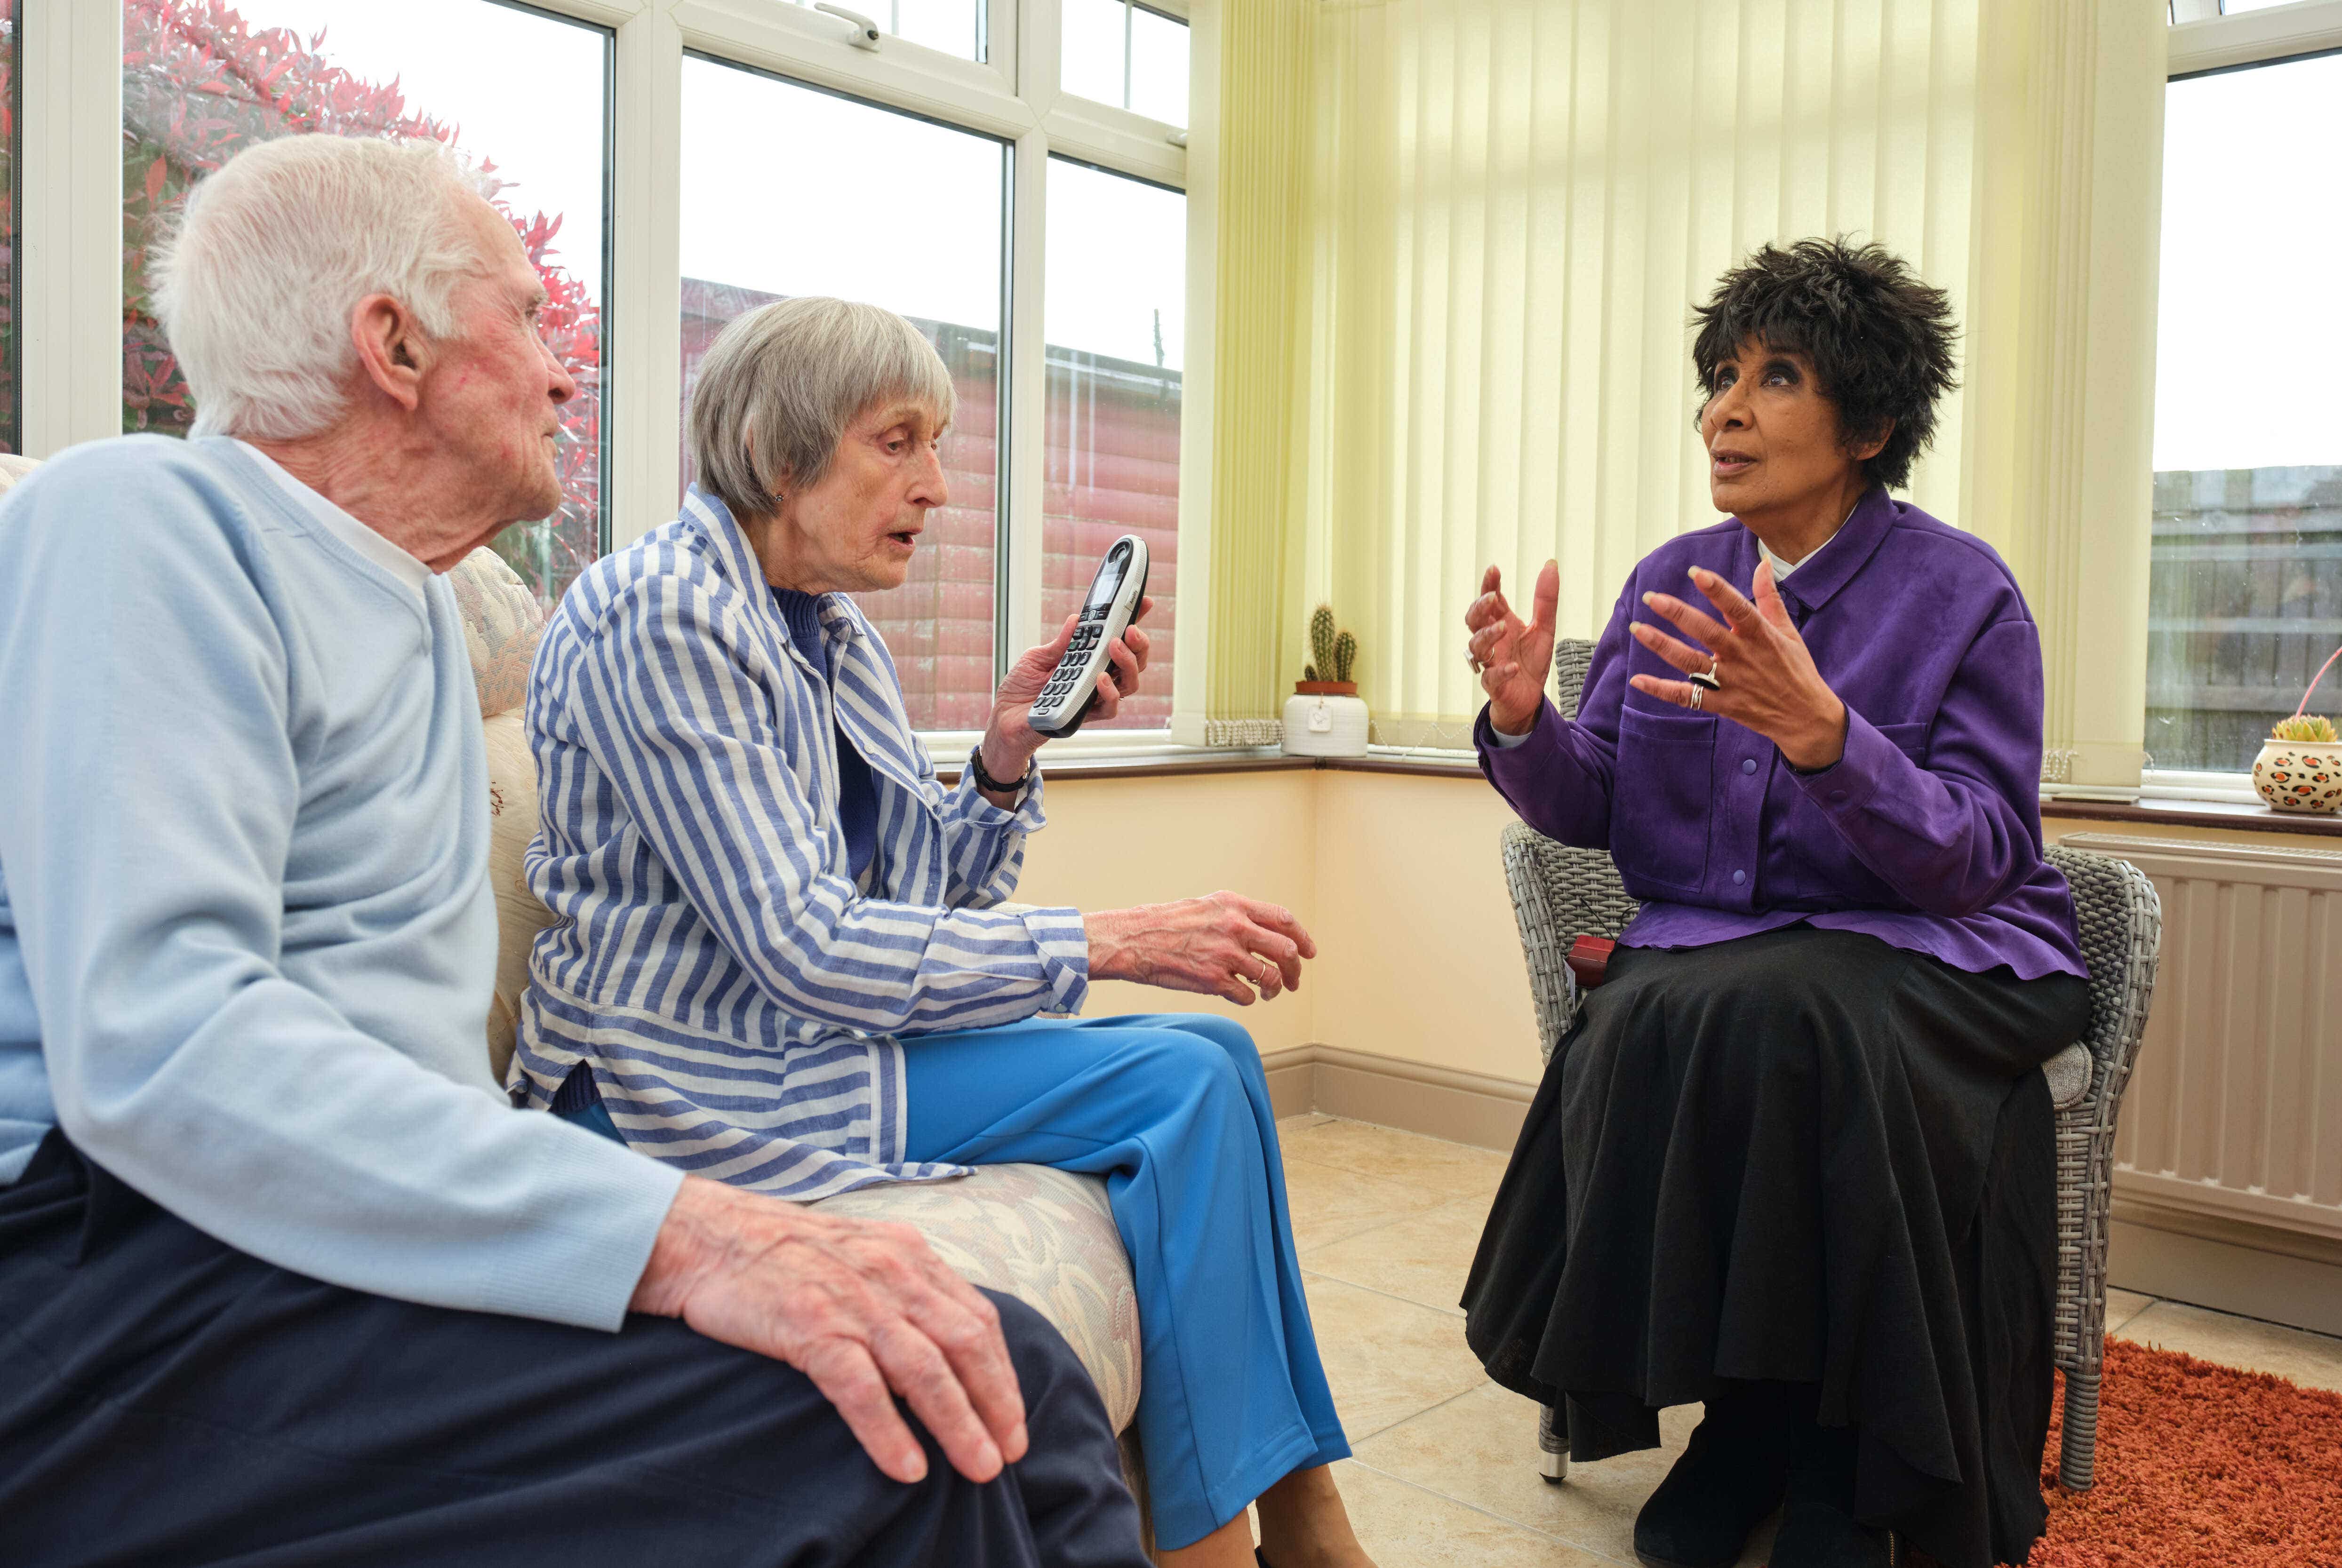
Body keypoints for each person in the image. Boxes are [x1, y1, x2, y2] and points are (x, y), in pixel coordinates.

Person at [0, 135, 1152, 1568]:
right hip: (114, 1272)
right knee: (892, 1443)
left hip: (339, 1241)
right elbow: (163, 1050)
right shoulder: (136, 519)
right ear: (394, 343)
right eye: (531, 316)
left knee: (1006, 1368)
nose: (567, 370)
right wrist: (694, 1236)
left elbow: (405, 1085)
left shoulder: (413, 611)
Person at [506, 295, 1372, 1568]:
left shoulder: (831, 628)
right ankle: (1240, 1539)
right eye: (898, 442)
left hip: (809, 1049)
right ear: (780, 452)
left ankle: (1286, 1512)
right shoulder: (664, 614)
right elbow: (808, 942)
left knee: (1213, 1065)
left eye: (938, 444)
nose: (941, 486)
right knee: (1186, 1077)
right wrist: (1111, 940)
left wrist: (1009, 754)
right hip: (680, 1084)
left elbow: (917, 898)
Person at [1457, 238, 2090, 1568]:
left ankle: (1842, 1455)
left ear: (1867, 425)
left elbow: (1980, 851)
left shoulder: (1965, 594)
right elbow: (1606, 805)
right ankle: (1745, 1420)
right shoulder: (1673, 578)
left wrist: (1828, 739)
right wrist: (1524, 724)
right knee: (1639, 1017)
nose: (1724, 412)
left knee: (1807, 1016)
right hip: (1744, 954)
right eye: (1720, 378)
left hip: (1950, 947)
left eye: (1776, 377)